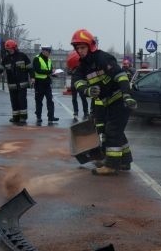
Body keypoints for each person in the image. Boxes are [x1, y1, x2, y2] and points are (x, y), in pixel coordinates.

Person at [69, 28, 136, 175]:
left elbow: (121, 76)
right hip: (108, 103)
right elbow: (78, 83)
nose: (80, 51)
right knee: (117, 132)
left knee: (112, 131)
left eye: (82, 47)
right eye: (77, 48)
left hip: (120, 99)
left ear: (90, 46)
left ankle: (112, 165)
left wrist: (127, 95)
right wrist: (88, 91)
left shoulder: (103, 58)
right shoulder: (82, 68)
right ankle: (125, 161)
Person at [0, 39, 31, 124]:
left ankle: (23, 117)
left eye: (10, 48)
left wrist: (33, 77)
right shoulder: (6, 59)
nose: (9, 50)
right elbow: (0, 68)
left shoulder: (22, 56)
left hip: (22, 84)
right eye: (7, 49)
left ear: (14, 48)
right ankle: (15, 117)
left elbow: (30, 68)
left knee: (22, 100)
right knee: (14, 101)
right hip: (12, 84)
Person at [31, 45, 59, 124]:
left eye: (50, 52)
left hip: (47, 83)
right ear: (44, 51)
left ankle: (51, 117)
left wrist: (54, 74)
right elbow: (38, 70)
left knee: (50, 100)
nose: (49, 53)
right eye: (48, 52)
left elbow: (50, 70)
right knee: (39, 101)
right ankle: (39, 117)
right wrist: (50, 72)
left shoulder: (49, 60)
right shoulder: (37, 58)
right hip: (39, 83)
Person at [65, 50, 89, 121]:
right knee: (75, 98)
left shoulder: (82, 66)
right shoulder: (73, 67)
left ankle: (85, 112)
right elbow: (68, 72)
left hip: (81, 83)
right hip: (74, 83)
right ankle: (76, 111)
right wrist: (71, 71)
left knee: (83, 98)